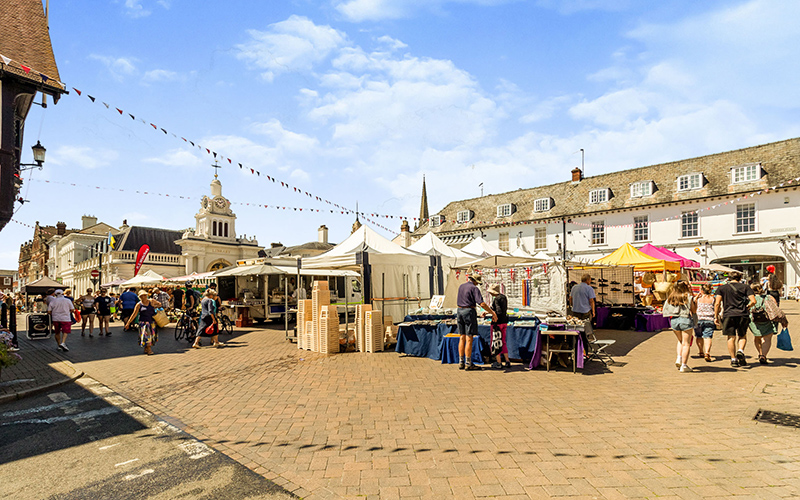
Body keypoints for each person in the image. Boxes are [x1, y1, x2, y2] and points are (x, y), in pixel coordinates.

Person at [714, 271, 756, 368]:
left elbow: (717, 303)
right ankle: (740, 350)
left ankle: (733, 359)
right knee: (742, 335)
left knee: (730, 337)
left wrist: (716, 316)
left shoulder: (722, 288)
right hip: (742, 314)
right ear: (740, 278)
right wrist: (747, 307)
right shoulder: (746, 287)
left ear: (728, 278)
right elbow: (753, 301)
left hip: (728, 314)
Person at [456, 273, 496, 370]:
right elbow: (482, 304)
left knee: (462, 337)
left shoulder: (461, 286)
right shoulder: (474, 288)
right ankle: (468, 363)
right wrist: (492, 312)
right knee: (469, 338)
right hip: (469, 311)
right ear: (475, 281)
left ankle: (461, 362)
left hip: (459, 310)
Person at [663, 281, 697, 372]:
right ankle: (684, 365)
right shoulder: (688, 297)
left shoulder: (670, 297)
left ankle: (679, 358)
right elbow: (693, 310)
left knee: (680, 341)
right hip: (685, 319)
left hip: (674, 320)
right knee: (686, 343)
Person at [124, 290, 161, 355]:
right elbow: (134, 314)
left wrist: (155, 305)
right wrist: (128, 323)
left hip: (152, 322)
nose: (144, 297)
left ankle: (146, 348)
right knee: (147, 336)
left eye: (145, 295)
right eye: (142, 296)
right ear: (140, 297)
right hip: (143, 323)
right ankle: (149, 349)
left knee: (151, 336)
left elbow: (159, 304)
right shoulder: (139, 304)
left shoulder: (151, 301)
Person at [749, 283, 777, 364]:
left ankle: (760, 353)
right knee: (767, 338)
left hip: (754, 321)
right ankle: (763, 355)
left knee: (757, 337)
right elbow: (775, 307)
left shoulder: (750, 298)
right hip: (767, 320)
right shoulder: (768, 297)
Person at [568, 274, 596, 355]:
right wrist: (593, 311)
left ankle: (576, 348)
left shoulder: (574, 287)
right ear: (588, 280)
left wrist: (573, 306)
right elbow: (591, 301)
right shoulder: (589, 288)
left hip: (576, 311)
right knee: (585, 331)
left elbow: (570, 298)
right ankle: (584, 350)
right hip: (585, 311)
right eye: (590, 280)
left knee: (576, 330)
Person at [487, 284, 510, 369]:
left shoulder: (496, 299)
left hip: (497, 323)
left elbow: (498, 311)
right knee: (503, 341)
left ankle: (499, 362)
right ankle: (507, 361)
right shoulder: (503, 297)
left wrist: (493, 315)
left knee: (496, 342)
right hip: (504, 322)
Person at [694, 284, 716, 362]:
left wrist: (696, 297)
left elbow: (693, 306)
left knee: (698, 336)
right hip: (709, 319)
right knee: (708, 336)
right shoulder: (713, 299)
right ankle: (707, 352)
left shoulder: (698, 299)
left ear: (702, 291)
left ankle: (700, 351)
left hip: (698, 319)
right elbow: (717, 308)